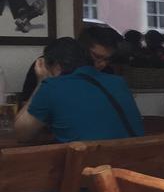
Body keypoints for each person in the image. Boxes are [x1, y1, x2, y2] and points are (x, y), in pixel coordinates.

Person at [14, 37, 143, 143]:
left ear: (56, 66)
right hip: (134, 166)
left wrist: (41, 82)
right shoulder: (118, 82)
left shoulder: (52, 86)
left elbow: (22, 134)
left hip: (91, 169)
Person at [19, 23, 121, 104]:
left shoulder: (107, 73)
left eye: (107, 59)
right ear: (82, 49)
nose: (102, 64)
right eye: (97, 57)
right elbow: (25, 104)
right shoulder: (49, 64)